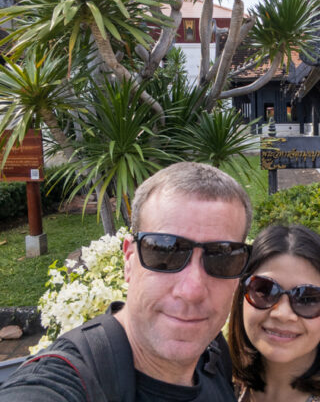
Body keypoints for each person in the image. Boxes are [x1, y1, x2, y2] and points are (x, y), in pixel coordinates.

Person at [0, 161, 253, 402]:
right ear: (129, 260)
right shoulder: (67, 380)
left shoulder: (213, 353)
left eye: (222, 257)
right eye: (164, 251)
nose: (192, 290)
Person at [229, 224, 320, 402]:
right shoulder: (215, 380)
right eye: (264, 290)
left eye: (307, 299)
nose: (282, 313)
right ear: (241, 296)